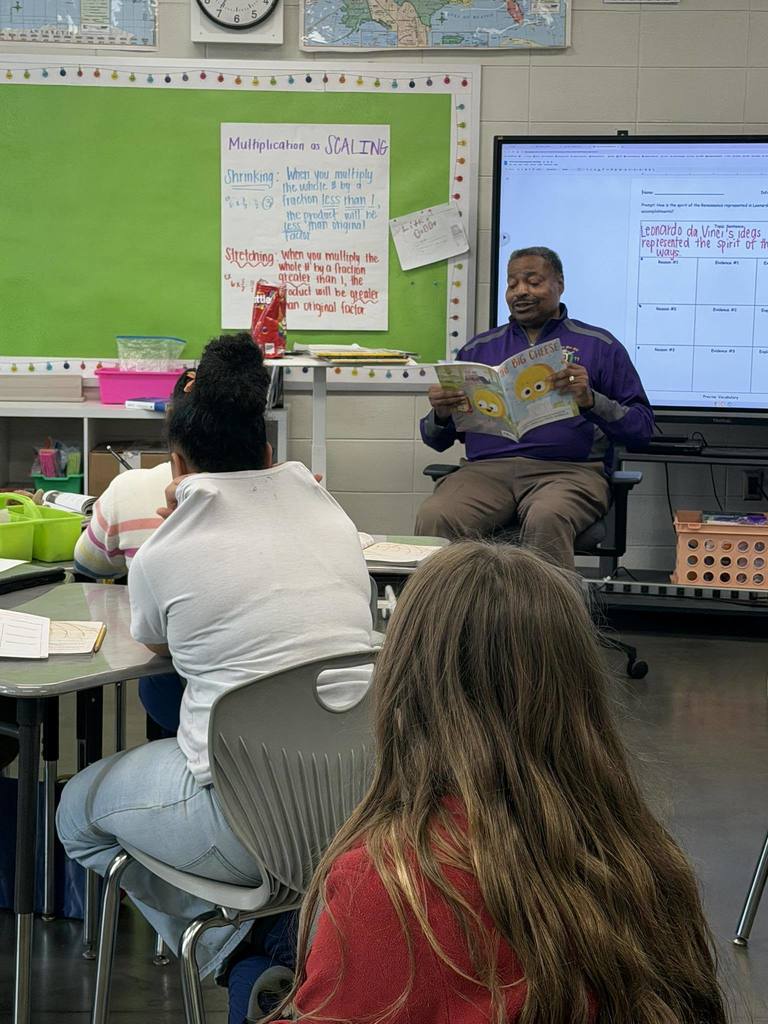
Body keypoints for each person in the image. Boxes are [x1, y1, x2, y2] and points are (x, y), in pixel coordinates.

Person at [272, 541, 727, 1024]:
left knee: (250, 963)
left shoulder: (389, 886)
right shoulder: (644, 862)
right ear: (577, 690)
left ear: (404, 685)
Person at [57, 335, 375, 999]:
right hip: (362, 805)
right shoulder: (332, 514)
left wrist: (181, 527)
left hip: (243, 824)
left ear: (176, 464)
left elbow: (161, 653)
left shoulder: (164, 552)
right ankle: (282, 937)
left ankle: (240, 956)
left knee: (75, 815)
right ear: (268, 453)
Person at [416, 246, 654, 568]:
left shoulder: (599, 345)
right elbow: (436, 440)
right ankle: (444, 617)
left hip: (569, 473)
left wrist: (591, 400)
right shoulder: (478, 349)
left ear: (560, 284)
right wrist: (442, 414)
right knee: (436, 516)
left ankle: (548, 618)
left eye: (533, 281)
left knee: (547, 516)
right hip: (485, 473)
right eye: (512, 284)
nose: (521, 292)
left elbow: (642, 428)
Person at [73, 365, 203, 734]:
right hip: (300, 726)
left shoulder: (132, 492)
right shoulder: (308, 504)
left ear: (176, 460)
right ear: (265, 450)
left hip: (181, 705)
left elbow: (88, 563)